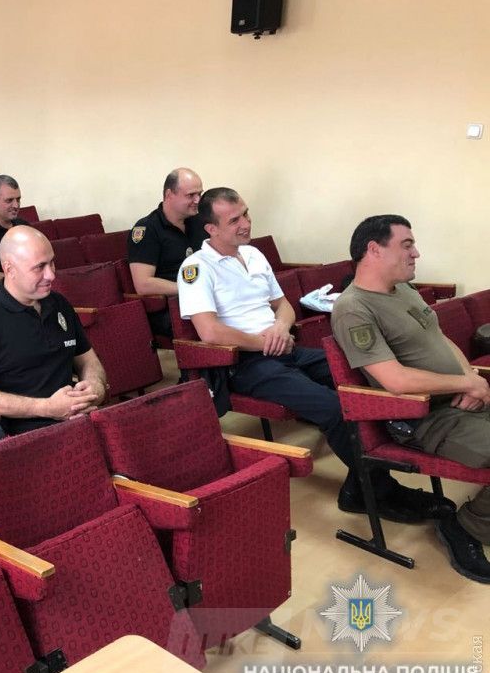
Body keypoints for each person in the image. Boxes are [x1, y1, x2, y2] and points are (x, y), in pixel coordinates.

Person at [178, 188, 453, 523]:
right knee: (336, 408)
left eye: (246, 214)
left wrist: (281, 328)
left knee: (365, 376)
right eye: (234, 220)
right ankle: (381, 493)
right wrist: (263, 342)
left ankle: (360, 484)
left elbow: (283, 305)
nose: (246, 223)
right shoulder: (196, 267)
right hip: (245, 363)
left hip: (284, 348)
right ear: (211, 228)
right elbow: (209, 332)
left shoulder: (253, 255)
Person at [332, 214, 490, 583]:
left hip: (455, 396)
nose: (416, 253)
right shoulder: (354, 308)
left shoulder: (403, 289)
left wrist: (469, 379)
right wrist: (463, 384)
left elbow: (439, 339)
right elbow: (395, 380)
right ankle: (464, 527)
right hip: (423, 417)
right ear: (374, 250)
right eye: (406, 245)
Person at [0, 225, 107, 435]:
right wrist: (47, 408)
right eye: (39, 267)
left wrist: (95, 386)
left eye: (52, 263)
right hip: (24, 436)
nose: (51, 275)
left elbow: (88, 360)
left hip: (78, 422)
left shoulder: (59, 304)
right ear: (9, 269)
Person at [128, 167, 206, 336]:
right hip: (172, 306)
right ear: (169, 194)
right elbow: (143, 284)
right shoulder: (147, 229)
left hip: (204, 298)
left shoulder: (200, 222)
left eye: (200, 194)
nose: (198, 200)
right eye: (191, 195)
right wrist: (192, 288)